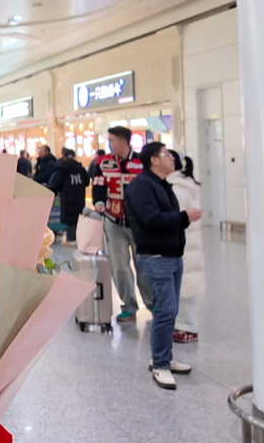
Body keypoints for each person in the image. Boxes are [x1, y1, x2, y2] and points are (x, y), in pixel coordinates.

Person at [124, 142, 202, 390]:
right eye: (167, 154)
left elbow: (169, 219)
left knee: (170, 310)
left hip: (172, 256)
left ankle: (163, 356)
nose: (173, 158)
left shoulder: (162, 185)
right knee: (165, 311)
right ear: (154, 160)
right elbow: (152, 220)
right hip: (156, 257)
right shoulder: (141, 186)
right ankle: (160, 364)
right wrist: (184, 216)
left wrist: (183, 220)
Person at [92, 126, 152, 322]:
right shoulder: (103, 162)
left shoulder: (142, 162)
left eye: (112, 140)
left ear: (124, 141)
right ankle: (129, 306)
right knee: (119, 267)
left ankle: (151, 303)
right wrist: (99, 202)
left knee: (144, 265)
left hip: (139, 224)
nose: (109, 144)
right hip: (113, 222)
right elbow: (98, 185)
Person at [169, 152, 204, 344]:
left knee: (185, 286)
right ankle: (183, 324)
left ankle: (188, 327)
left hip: (184, 243)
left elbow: (177, 218)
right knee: (183, 285)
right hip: (186, 243)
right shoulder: (181, 184)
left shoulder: (178, 188)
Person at [49, 148, 89, 244]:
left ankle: (71, 239)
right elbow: (87, 182)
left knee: (70, 218)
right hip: (79, 197)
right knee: (78, 217)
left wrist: (51, 191)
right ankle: (78, 239)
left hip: (67, 198)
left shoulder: (62, 169)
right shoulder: (81, 169)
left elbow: (57, 184)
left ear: (64, 156)